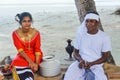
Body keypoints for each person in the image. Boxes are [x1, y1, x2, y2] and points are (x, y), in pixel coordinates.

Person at [64, 12, 111, 80]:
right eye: (87, 21)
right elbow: (75, 52)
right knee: (70, 77)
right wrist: (80, 60)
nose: (88, 24)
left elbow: (105, 57)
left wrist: (92, 64)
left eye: (91, 21)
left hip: (96, 65)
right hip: (80, 64)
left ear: (97, 23)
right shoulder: (80, 35)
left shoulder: (104, 37)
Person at [10, 12, 43, 80]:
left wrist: (36, 64)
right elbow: (20, 50)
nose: (27, 23)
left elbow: (37, 49)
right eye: (24, 21)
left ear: (31, 21)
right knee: (15, 62)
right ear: (20, 22)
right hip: (22, 55)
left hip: (34, 55)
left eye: (29, 21)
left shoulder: (36, 33)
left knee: (33, 66)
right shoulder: (15, 33)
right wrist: (30, 62)